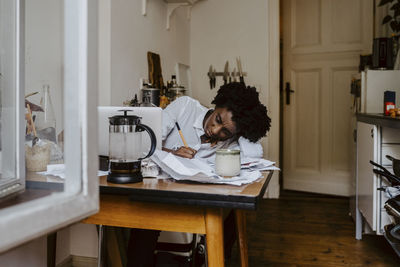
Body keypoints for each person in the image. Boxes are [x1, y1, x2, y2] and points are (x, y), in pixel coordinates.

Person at [127, 82, 271, 267]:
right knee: (146, 219)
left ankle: (209, 259)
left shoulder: (232, 142)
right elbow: (144, 143)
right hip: (162, 192)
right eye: (218, 119)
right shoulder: (185, 107)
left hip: (197, 199)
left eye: (225, 131)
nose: (215, 130)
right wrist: (172, 152)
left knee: (232, 211)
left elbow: (255, 153)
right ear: (217, 104)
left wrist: (242, 133)